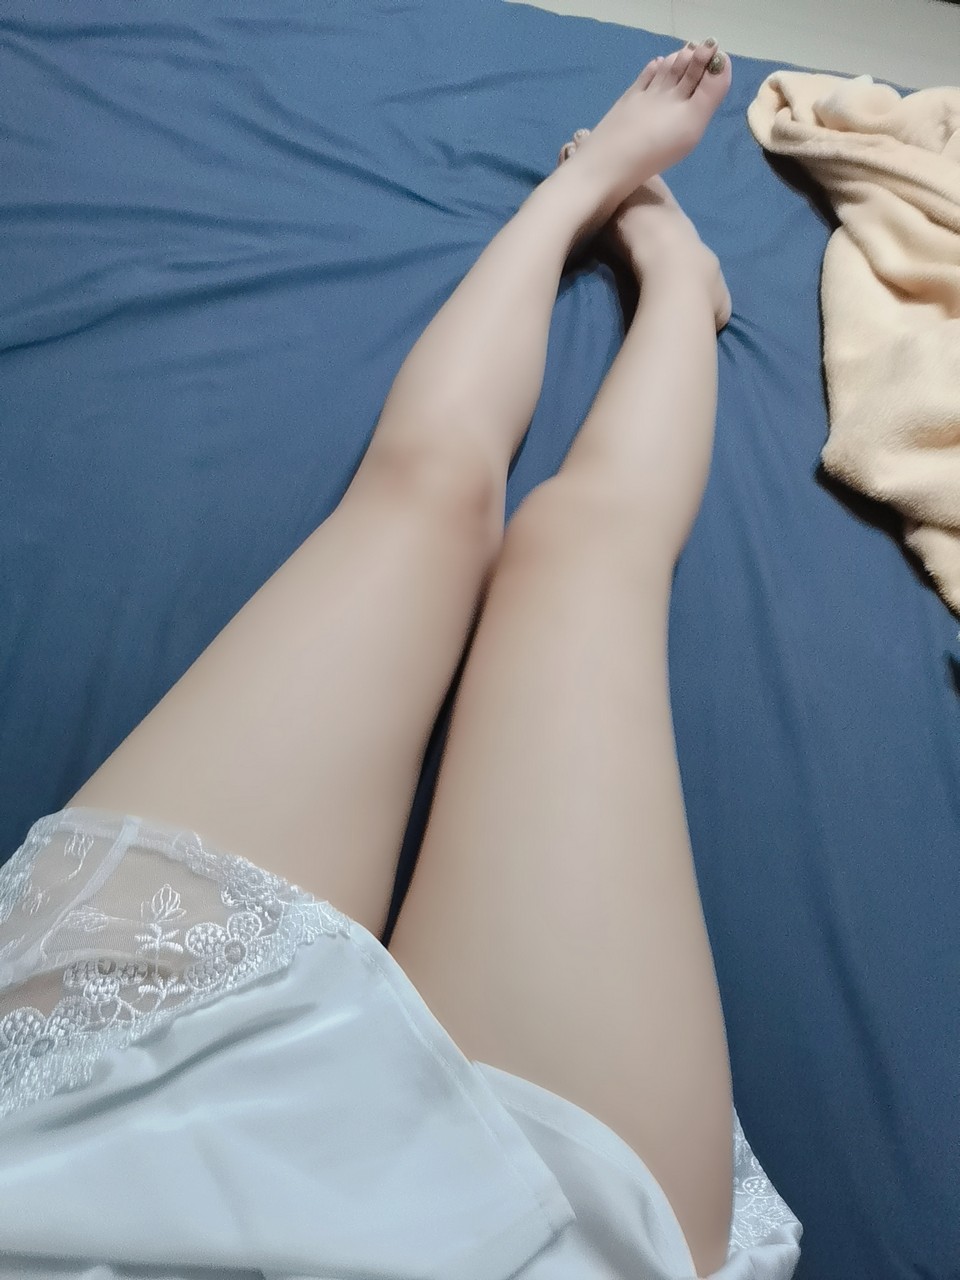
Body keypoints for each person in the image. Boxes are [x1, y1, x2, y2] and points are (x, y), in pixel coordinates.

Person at [0, 38, 802, 1280]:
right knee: (578, 557)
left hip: (75, 1161)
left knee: (425, 491)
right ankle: (680, 285)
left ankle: (577, 193)